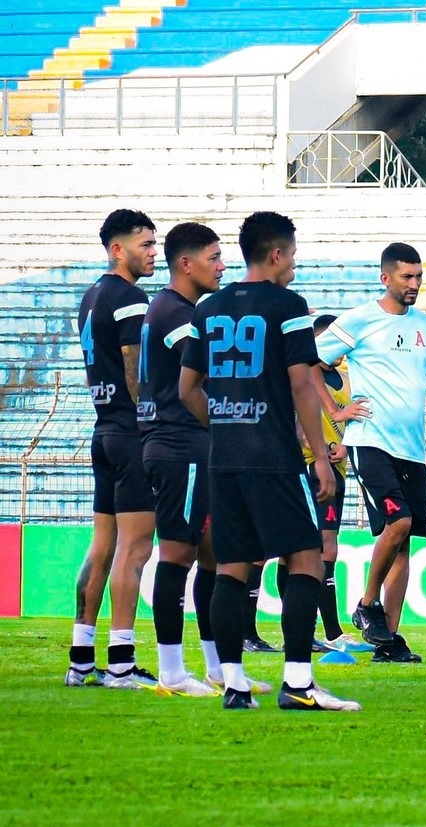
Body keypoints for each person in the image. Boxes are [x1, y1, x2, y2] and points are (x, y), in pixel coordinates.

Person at [178, 210, 358, 712]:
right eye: (294, 255)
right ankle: (298, 683)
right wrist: (319, 458)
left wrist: (224, 424)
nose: (295, 265)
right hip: (275, 457)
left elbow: (187, 389)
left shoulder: (208, 309)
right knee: (305, 558)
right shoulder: (288, 305)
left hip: (225, 457)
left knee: (232, 566)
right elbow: (303, 381)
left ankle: (234, 685)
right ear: (276, 254)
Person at [314, 242, 426, 664]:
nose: (414, 284)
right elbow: (308, 363)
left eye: (418, 277)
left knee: (404, 544)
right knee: (399, 521)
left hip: (411, 448)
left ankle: (388, 641)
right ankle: (365, 604)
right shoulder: (359, 320)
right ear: (386, 278)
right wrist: (336, 411)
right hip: (369, 440)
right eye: (406, 277)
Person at [67, 208, 159, 690]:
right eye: (145, 244)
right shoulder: (129, 297)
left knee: (102, 547)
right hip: (130, 433)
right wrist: (150, 424)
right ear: (117, 249)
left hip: (103, 429)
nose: (153, 252)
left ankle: (81, 660)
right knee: (135, 548)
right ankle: (121, 663)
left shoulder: (90, 296)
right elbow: (133, 368)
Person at [138, 222, 226, 698]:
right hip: (180, 445)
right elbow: (196, 385)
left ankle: (215, 666)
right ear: (186, 264)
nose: (222, 265)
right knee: (178, 555)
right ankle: (171, 670)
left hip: (181, 444)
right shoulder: (177, 314)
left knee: (211, 553)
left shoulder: (172, 309)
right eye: (213, 257)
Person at [276, 314, 373, 655]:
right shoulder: (300, 378)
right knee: (317, 549)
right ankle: (328, 631)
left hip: (339, 469)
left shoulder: (348, 378)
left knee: (312, 550)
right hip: (307, 468)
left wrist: (347, 444)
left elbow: (362, 415)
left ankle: (310, 630)